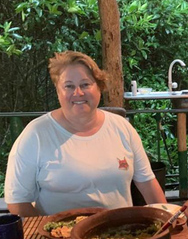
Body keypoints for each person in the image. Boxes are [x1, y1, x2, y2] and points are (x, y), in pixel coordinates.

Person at [4, 51, 167, 216]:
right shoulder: (36, 135)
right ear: (58, 90)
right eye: (69, 86)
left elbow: (147, 183)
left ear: (99, 87)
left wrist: (168, 218)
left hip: (121, 234)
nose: (78, 93)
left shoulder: (122, 127)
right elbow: (17, 202)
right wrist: (48, 232)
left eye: (85, 84)